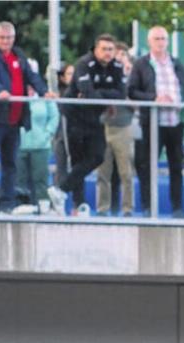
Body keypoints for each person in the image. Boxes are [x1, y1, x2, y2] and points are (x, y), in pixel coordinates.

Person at [0, 21, 52, 214]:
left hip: (14, 119)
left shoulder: (18, 54)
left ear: (13, 38)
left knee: (10, 163)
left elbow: (30, 75)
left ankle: (7, 202)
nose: (5, 42)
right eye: (1, 38)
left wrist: (44, 91)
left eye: (9, 38)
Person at [55, 34, 126, 215]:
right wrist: (104, 96)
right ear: (96, 49)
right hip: (74, 116)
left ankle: (60, 189)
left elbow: (121, 94)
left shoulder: (117, 67)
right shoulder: (83, 64)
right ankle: (78, 206)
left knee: (97, 156)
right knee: (77, 160)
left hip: (94, 116)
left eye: (111, 49)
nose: (107, 53)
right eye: (104, 49)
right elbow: (87, 91)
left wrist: (99, 94)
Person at [127, 25, 184, 217]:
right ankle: (148, 207)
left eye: (163, 39)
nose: (160, 43)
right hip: (152, 122)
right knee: (146, 165)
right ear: (149, 42)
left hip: (174, 122)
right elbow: (131, 91)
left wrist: (183, 102)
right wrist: (154, 99)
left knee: (176, 166)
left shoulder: (176, 63)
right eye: (156, 39)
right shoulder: (141, 64)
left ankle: (177, 208)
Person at [96, 49, 134, 216]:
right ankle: (102, 208)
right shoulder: (104, 78)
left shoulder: (132, 81)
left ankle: (127, 209)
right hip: (104, 126)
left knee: (126, 172)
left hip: (123, 127)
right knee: (103, 172)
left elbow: (137, 104)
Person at [17, 60, 58, 212]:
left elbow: (54, 116)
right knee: (19, 179)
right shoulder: (16, 92)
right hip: (20, 143)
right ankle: (21, 207)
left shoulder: (43, 93)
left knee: (40, 179)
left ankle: (44, 208)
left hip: (41, 144)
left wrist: (48, 133)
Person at [51, 64, 73, 190]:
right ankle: (58, 201)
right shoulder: (58, 94)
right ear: (63, 78)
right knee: (61, 169)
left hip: (76, 135)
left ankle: (77, 204)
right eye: (69, 74)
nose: (73, 77)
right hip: (60, 135)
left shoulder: (83, 93)